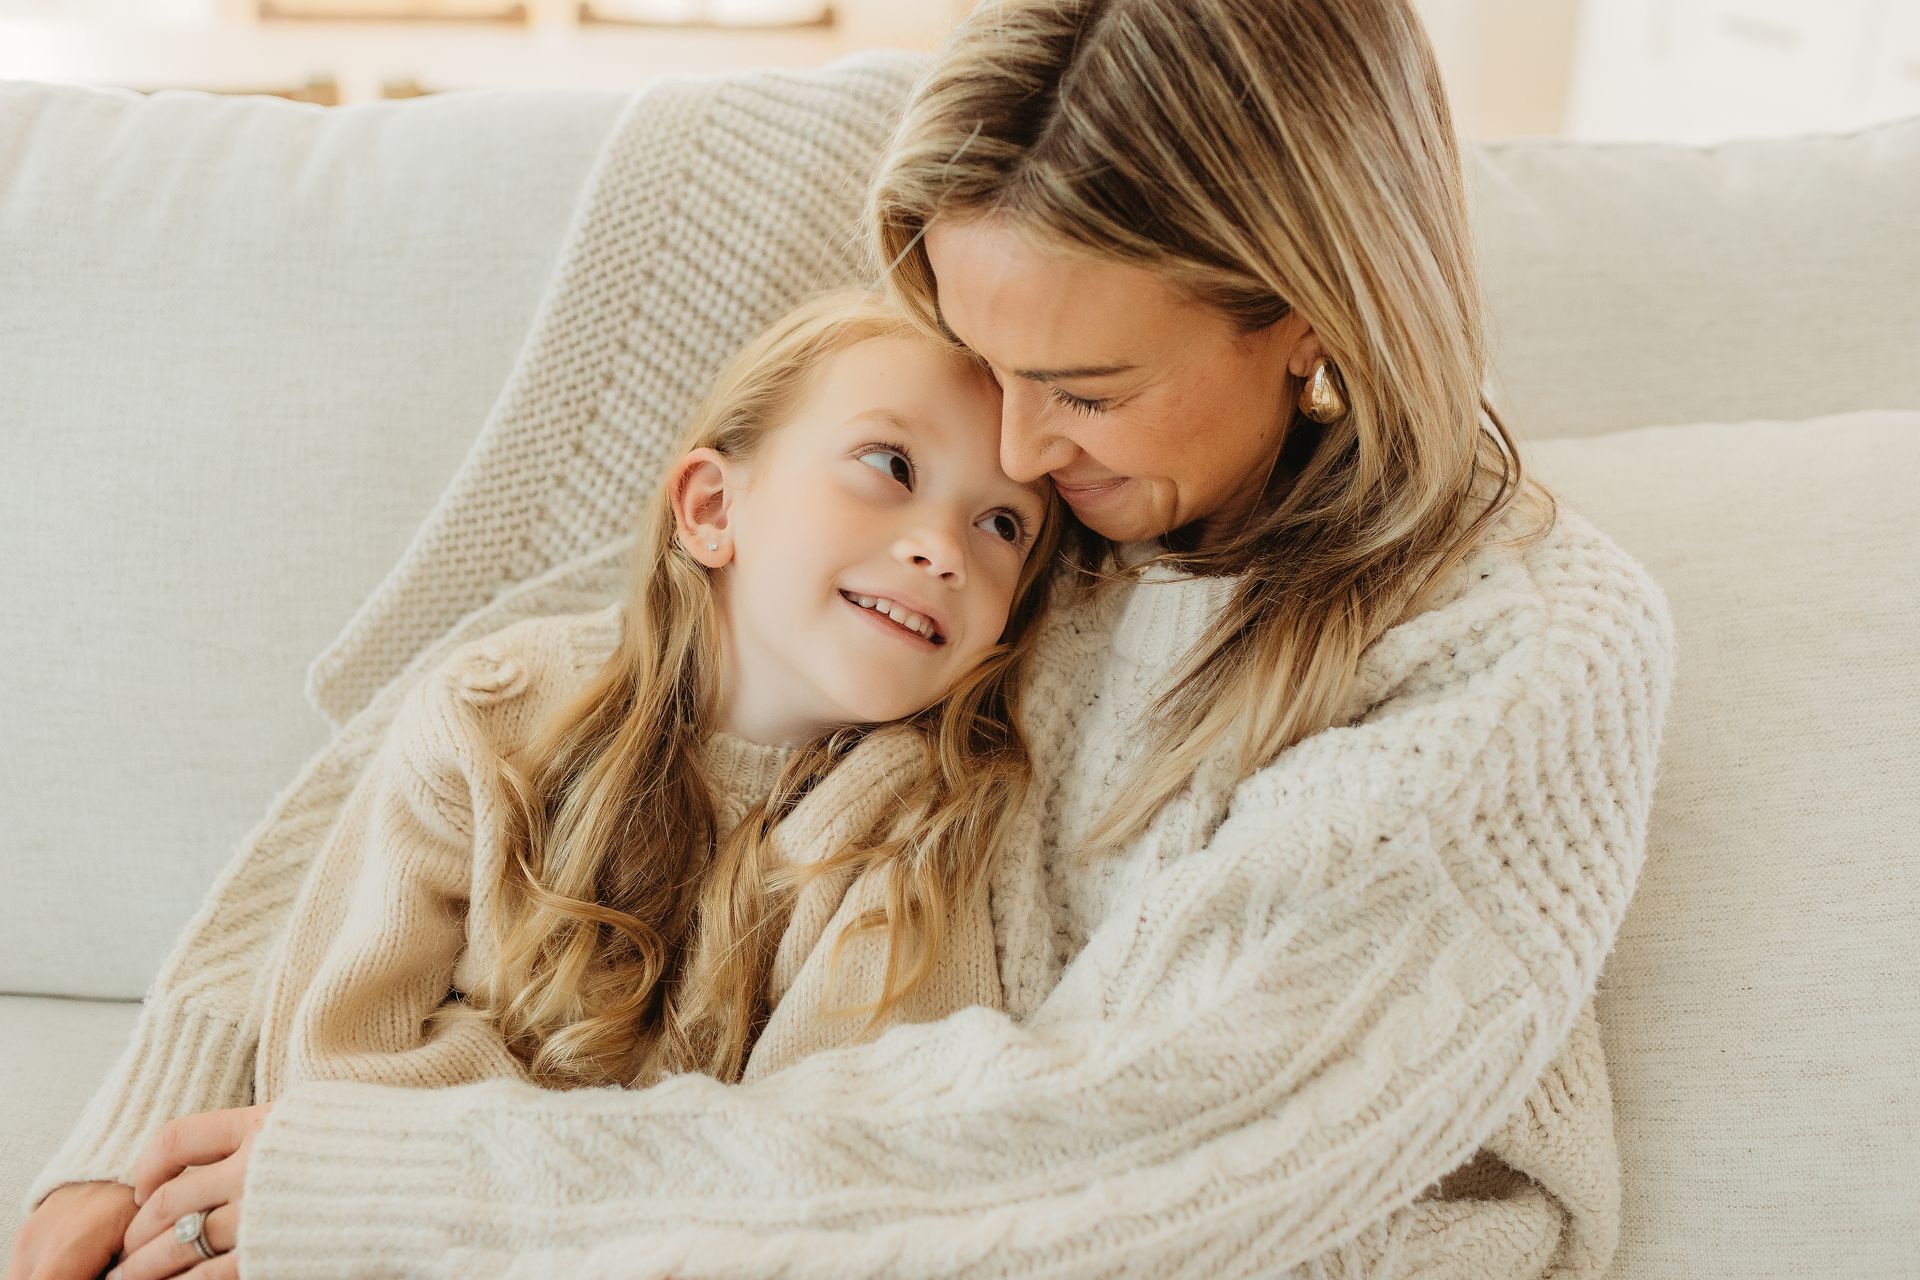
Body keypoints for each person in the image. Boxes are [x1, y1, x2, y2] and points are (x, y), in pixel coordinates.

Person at [14, 1, 1677, 1276]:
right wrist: (136, 1159)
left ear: (1316, 309)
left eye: (1086, 393)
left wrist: (427, 1197)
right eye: (978, 357)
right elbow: (540, 691)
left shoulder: (1516, 650)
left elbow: (1149, 1141)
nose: (1012, 456)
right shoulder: (1014, 476)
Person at [7, 285, 1076, 1280]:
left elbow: (826, 1165)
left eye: (1004, 526)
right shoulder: (496, 715)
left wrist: (476, 1139)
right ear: (712, 507)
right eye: (890, 464)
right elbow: (333, 1066)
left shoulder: (920, 831)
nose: (945, 548)